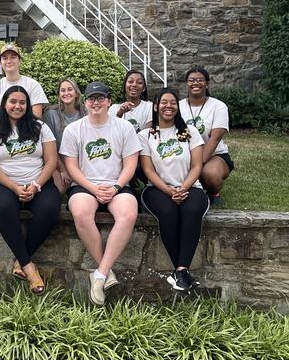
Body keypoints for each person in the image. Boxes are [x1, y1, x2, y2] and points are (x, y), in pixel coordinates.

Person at [60, 81, 141, 306]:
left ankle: (99, 274)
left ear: (109, 102)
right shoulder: (74, 129)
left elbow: (130, 163)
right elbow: (72, 166)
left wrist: (115, 187)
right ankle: (106, 273)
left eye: (100, 98)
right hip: (85, 185)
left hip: (117, 184)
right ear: (84, 103)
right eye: (91, 99)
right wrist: (93, 188)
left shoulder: (123, 127)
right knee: (81, 212)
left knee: (128, 214)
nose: (96, 102)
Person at [0, 86, 60, 296]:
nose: (17, 106)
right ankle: (29, 268)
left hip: (38, 182)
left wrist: (35, 185)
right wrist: (15, 187)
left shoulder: (40, 127)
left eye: (22, 102)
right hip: (4, 183)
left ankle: (20, 260)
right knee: (4, 208)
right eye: (12, 101)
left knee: (50, 209)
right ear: (4, 104)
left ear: (28, 105)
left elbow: (51, 161)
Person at [139, 88, 209, 292]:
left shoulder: (189, 132)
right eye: (164, 102)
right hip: (157, 189)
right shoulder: (146, 135)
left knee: (191, 210)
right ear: (155, 106)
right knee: (168, 212)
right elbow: (147, 169)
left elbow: (197, 166)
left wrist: (183, 188)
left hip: (190, 186)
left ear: (177, 108)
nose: (168, 106)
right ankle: (181, 272)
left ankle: (180, 270)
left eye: (173, 103)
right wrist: (170, 192)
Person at [178, 66, 234, 205]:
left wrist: (197, 165)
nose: (195, 83)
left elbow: (214, 139)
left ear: (207, 83)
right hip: (185, 154)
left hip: (213, 155)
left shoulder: (218, 106)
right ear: (187, 83)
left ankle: (213, 192)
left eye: (200, 80)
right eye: (191, 80)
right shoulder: (178, 106)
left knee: (210, 175)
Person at [0, 43, 48, 123]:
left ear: (19, 61)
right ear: (0, 63)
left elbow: (37, 117)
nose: (9, 61)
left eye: (13, 57)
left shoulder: (33, 85)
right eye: (5, 58)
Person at [43, 79, 86, 193]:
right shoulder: (51, 114)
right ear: (59, 94)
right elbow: (50, 148)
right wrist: (62, 170)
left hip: (81, 163)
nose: (66, 93)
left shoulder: (86, 113)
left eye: (70, 89)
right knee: (60, 190)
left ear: (76, 93)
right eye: (62, 90)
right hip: (57, 162)